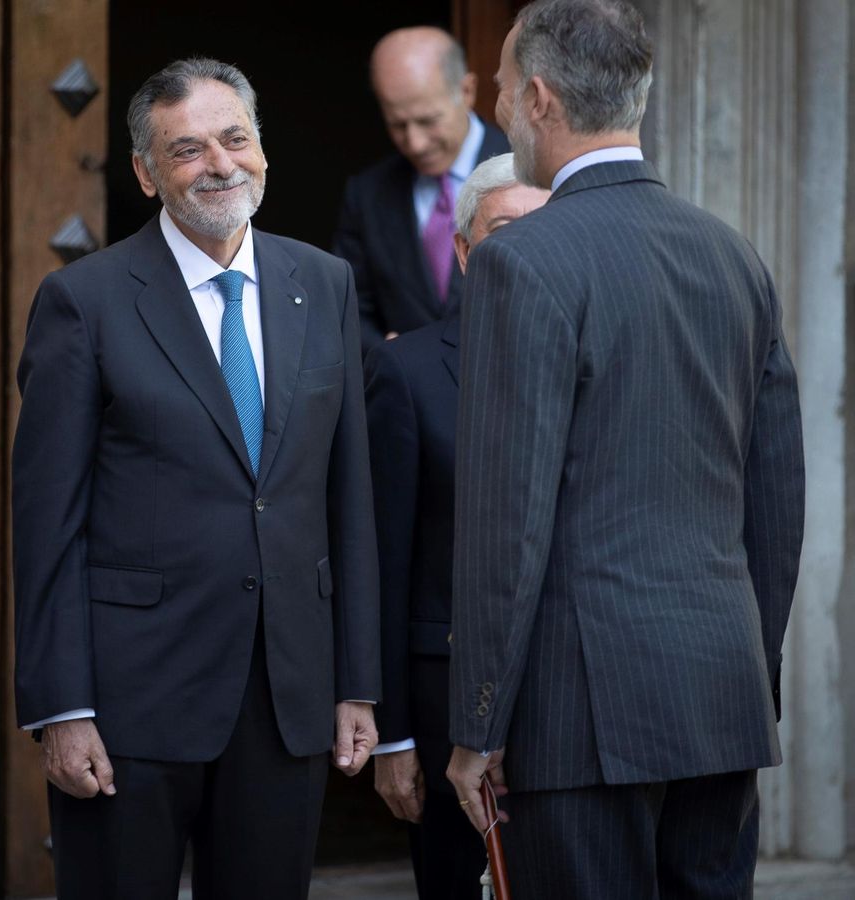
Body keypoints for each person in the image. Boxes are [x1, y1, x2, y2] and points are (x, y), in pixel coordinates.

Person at [445, 1, 806, 896]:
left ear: (536, 98)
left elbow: (506, 517)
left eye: (496, 90)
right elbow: (778, 499)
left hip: (579, 718)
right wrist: (751, 675)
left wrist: (478, 724)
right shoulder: (733, 254)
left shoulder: (518, 261)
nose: (494, 110)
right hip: (721, 700)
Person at [12, 57, 380, 900]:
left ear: (262, 150)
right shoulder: (85, 300)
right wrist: (62, 707)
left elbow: (348, 498)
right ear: (146, 173)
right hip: (132, 700)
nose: (219, 163)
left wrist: (357, 682)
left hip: (288, 691)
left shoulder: (322, 283)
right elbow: (47, 524)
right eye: (186, 149)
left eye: (234, 139)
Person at [365, 153, 549, 900]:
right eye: (506, 231)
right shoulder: (405, 372)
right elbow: (382, 558)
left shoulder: (602, 351)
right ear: (467, 251)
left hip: (573, 703)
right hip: (444, 712)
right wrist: (394, 735)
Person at [335, 27, 511, 350]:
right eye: (397, 125)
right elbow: (348, 306)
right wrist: (385, 352)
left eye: (428, 121)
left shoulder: (523, 170)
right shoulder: (368, 194)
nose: (414, 143)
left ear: (467, 90)